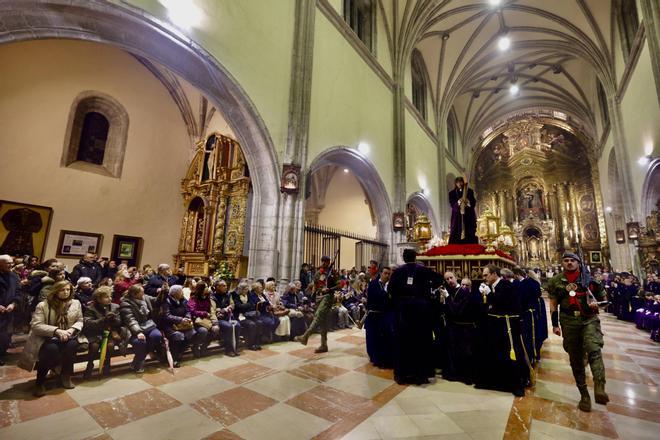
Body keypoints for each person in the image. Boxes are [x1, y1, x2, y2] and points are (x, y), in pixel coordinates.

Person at [547, 252, 609, 412]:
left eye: (572, 260)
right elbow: (553, 304)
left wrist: (598, 305)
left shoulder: (590, 280)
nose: (569, 263)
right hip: (568, 320)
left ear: (579, 262)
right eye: (566, 260)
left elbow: (604, 300)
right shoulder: (556, 281)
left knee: (594, 349)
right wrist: (554, 325)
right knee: (575, 358)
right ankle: (584, 395)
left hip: (588, 319)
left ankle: (599, 386)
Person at [18, 280, 83, 396]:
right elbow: (36, 325)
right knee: (51, 350)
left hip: (68, 335)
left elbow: (80, 320)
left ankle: (65, 376)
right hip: (47, 337)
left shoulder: (76, 303)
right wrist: (57, 331)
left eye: (68, 289)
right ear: (55, 291)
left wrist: (71, 330)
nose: (66, 292)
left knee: (71, 347)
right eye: (62, 290)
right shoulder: (43, 305)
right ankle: (40, 382)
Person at [389, 249, 442, 385]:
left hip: (404, 311)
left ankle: (403, 375)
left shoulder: (398, 272)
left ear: (404, 258)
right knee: (421, 340)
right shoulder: (423, 270)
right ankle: (421, 375)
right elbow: (438, 279)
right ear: (415, 256)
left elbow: (391, 290)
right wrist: (428, 292)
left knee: (404, 342)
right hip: (421, 310)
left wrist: (400, 299)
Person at [475, 264, 528, 397]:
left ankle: (517, 384)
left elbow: (503, 303)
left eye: (486, 275)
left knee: (512, 353)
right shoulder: (494, 286)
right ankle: (500, 381)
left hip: (508, 325)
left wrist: (489, 294)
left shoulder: (505, 285)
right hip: (497, 325)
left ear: (494, 274)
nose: (484, 278)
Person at [82, 285, 129, 378]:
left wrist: (114, 319)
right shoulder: (91, 308)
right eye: (106, 297)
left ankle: (107, 364)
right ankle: (90, 365)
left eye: (110, 296)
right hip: (96, 333)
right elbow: (89, 324)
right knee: (94, 346)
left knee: (110, 345)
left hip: (110, 333)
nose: (110, 298)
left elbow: (120, 322)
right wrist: (104, 319)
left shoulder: (115, 307)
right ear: (98, 299)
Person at [294, 255, 337, 353]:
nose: (324, 263)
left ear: (329, 262)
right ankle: (323, 345)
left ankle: (305, 336)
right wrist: (311, 286)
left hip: (328, 296)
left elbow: (340, 284)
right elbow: (315, 283)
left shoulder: (333, 273)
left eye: (326, 261)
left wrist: (330, 289)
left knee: (318, 316)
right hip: (318, 297)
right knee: (323, 321)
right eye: (323, 261)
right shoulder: (318, 272)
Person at [443, 272, 480, 384]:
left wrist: (447, 298)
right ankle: (455, 374)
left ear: (456, 277)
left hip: (464, 327)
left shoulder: (464, 292)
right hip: (454, 326)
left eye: (451, 277)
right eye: (447, 279)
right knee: (454, 351)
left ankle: (466, 376)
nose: (449, 280)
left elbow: (457, 309)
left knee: (466, 352)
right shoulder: (449, 291)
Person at [120, 284, 162, 373]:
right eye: (141, 292)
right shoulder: (126, 303)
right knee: (139, 342)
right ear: (134, 295)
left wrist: (163, 292)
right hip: (132, 329)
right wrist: (138, 332)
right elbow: (130, 320)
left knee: (157, 336)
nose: (144, 293)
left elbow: (158, 301)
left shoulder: (145, 298)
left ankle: (138, 359)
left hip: (148, 325)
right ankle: (140, 361)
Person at [161, 284, 197, 367]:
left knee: (192, 333)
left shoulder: (183, 300)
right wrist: (180, 319)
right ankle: (174, 358)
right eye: (181, 292)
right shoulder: (166, 301)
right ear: (175, 293)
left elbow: (188, 310)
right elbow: (167, 316)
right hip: (169, 325)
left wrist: (187, 318)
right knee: (178, 336)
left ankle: (180, 353)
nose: (183, 293)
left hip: (182, 324)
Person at [365, 265, 394, 368]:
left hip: (384, 315)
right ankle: (374, 358)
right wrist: (386, 296)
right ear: (381, 273)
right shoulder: (373, 284)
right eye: (385, 273)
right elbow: (377, 297)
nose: (387, 275)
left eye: (389, 274)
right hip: (374, 315)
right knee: (372, 338)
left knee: (382, 339)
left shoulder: (390, 286)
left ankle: (382, 358)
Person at [513, 267, 542, 363]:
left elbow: (520, 300)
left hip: (526, 313)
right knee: (534, 334)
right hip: (534, 312)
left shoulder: (523, 284)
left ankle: (530, 356)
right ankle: (535, 354)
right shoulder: (535, 283)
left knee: (528, 336)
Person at [210, 280, 241, 356]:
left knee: (238, 325)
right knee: (228, 327)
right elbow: (213, 311)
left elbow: (232, 304)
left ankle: (235, 348)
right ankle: (228, 349)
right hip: (218, 319)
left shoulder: (228, 294)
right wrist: (223, 310)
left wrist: (229, 308)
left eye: (226, 286)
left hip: (228, 317)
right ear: (217, 287)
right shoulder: (212, 297)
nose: (226, 287)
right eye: (223, 286)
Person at [231, 280, 262, 350]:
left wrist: (245, 305)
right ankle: (250, 344)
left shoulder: (248, 293)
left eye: (247, 289)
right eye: (245, 289)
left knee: (259, 323)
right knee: (251, 324)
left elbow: (253, 304)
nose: (247, 291)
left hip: (248, 314)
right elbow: (238, 307)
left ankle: (257, 343)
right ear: (241, 289)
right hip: (239, 316)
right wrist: (248, 305)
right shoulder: (234, 295)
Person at [0, 255, 20, 365]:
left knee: (5, 335)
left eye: (11, 262)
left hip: (9, 311)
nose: (11, 265)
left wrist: (14, 303)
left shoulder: (14, 276)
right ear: (0, 264)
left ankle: (1, 353)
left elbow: (18, 292)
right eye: (8, 263)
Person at [448, 176, 477, 244]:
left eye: (461, 182)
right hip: (457, 216)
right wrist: (458, 202)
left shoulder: (469, 191)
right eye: (457, 182)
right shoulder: (452, 193)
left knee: (469, 230)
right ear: (455, 183)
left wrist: (468, 202)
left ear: (463, 182)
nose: (459, 184)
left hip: (468, 215)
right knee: (456, 230)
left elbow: (473, 202)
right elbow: (452, 204)